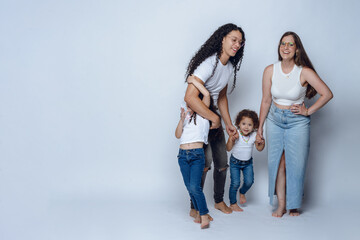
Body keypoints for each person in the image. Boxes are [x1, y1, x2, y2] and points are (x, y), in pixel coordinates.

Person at [257, 32, 333, 217]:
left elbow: (327, 93)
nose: (286, 47)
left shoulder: (304, 72)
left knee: (296, 164)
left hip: (297, 122)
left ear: (296, 49)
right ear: (279, 47)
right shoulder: (270, 70)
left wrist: (307, 111)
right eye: (283, 43)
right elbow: (266, 101)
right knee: (278, 162)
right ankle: (281, 205)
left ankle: (293, 205)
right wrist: (260, 129)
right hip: (274, 119)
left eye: (290, 44)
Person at [184, 23, 246, 215]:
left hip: (213, 115)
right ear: (223, 39)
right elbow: (190, 97)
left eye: (240, 42)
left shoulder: (228, 67)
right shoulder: (209, 63)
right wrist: (213, 118)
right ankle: (195, 207)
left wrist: (227, 123)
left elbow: (222, 97)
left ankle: (219, 201)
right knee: (204, 163)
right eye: (233, 40)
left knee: (221, 161)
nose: (237, 45)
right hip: (199, 114)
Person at [175, 78, 213, 229]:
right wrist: (181, 120)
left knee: (195, 187)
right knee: (189, 187)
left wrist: (193, 81)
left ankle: (204, 215)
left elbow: (206, 94)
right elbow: (178, 135)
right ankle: (197, 211)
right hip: (182, 155)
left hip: (197, 154)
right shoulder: (186, 117)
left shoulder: (204, 114)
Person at [226, 109, 265, 212]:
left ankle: (242, 192)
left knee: (249, 181)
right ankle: (233, 203)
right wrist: (231, 139)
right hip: (235, 162)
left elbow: (259, 149)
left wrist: (261, 141)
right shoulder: (236, 133)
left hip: (247, 163)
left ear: (254, 126)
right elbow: (228, 148)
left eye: (249, 125)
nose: (246, 127)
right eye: (243, 124)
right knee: (235, 183)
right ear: (239, 123)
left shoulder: (254, 135)